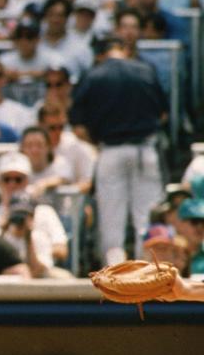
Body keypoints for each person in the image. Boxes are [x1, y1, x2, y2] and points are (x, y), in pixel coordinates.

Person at [69, 36, 166, 264]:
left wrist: (95, 143)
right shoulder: (145, 70)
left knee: (112, 226)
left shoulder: (93, 75)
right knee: (146, 220)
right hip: (145, 150)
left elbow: (78, 125)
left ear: (100, 54)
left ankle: (115, 282)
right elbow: (163, 114)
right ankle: (153, 275)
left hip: (110, 151)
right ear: (123, 48)